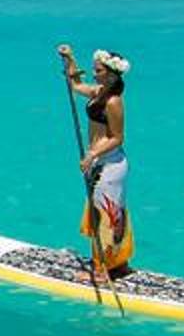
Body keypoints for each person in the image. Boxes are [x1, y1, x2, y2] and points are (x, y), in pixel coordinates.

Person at [57, 43, 134, 277]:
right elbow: (75, 85)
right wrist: (70, 58)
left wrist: (92, 154)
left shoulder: (113, 101)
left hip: (110, 165)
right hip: (100, 163)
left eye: (98, 70)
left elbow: (118, 138)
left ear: (111, 74)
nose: (94, 73)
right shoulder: (99, 92)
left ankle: (103, 270)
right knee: (106, 214)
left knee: (107, 217)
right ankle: (117, 265)